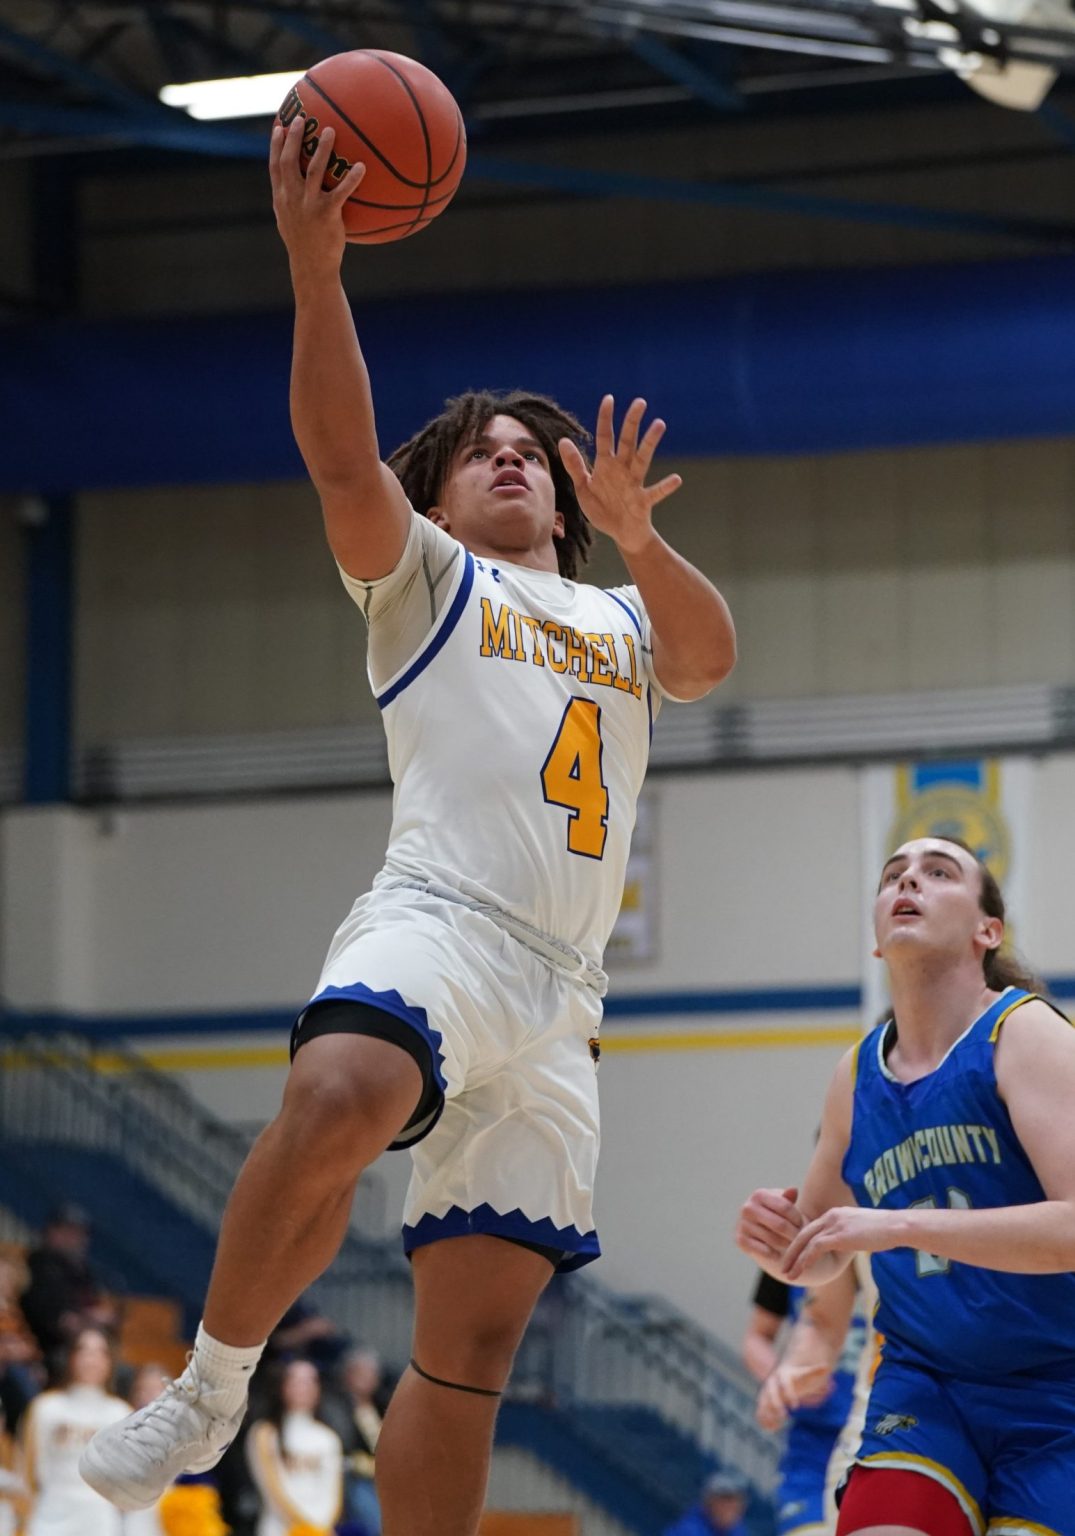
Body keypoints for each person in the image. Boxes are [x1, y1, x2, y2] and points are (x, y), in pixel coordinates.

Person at [79, 111, 737, 1536]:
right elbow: (337, 462)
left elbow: (708, 661)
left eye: (530, 452)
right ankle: (210, 1385)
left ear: (564, 497)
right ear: (433, 491)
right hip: (440, 919)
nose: (509, 459)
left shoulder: (621, 613)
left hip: (562, 998)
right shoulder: (427, 580)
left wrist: (641, 536)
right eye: (478, 451)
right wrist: (316, 271)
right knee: (338, 1091)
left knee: (472, 1351)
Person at [736, 835, 1075, 1536]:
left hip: (1055, 1390)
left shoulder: (1026, 1034)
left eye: (938, 872)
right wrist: (778, 1244)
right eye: (893, 876)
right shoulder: (854, 1074)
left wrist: (895, 1225)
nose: (908, 882)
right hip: (924, 1388)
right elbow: (821, 1257)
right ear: (876, 941)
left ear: (988, 931)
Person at [747, 1264, 872, 1536]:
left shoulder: (895, 1255)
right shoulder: (794, 1255)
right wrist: (780, 1381)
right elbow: (757, 1336)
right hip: (813, 1444)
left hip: (878, 1435)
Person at [18, 1327, 128, 1536]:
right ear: (71, 1357)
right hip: (50, 1513)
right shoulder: (46, 1407)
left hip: (101, 1517)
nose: (91, 1360)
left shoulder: (121, 1413)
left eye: (100, 1353)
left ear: (110, 1360)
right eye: (84, 1351)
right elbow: (30, 1469)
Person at [246, 1359, 343, 1536]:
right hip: (278, 1529)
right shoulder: (265, 1433)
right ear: (281, 1385)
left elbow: (333, 1493)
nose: (304, 1388)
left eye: (310, 1381)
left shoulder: (328, 1438)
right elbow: (272, 1491)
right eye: (296, 1381)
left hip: (322, 1528)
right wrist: (305, 1527)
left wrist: (322, 1527)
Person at [20, 1208, 117, 1359]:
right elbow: (49, 1316)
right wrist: (84, 1319)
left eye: (80, 1233)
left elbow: (92, 1305)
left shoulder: (81, 1271)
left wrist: (98, 1316)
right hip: (48, 1348)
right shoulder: (39, 1265)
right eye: (69, 1232)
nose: (76, 1239)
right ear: (51, 1232)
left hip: (81, 1342)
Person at [319, 1348, 389, 1535]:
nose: (367, 1378)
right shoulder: (334, 1406)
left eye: (371, 1373)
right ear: (347, 1375)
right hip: (354, 1475)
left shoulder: (382, 1403)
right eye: (361, 1372)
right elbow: (341, 1446)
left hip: (385, 1475)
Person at [662, 1469, 750, 1536]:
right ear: (709, 1503)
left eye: (736, 1502)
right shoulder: (686, 1531)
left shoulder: (737, 1530)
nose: (730, 1508)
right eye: (725, 1500)